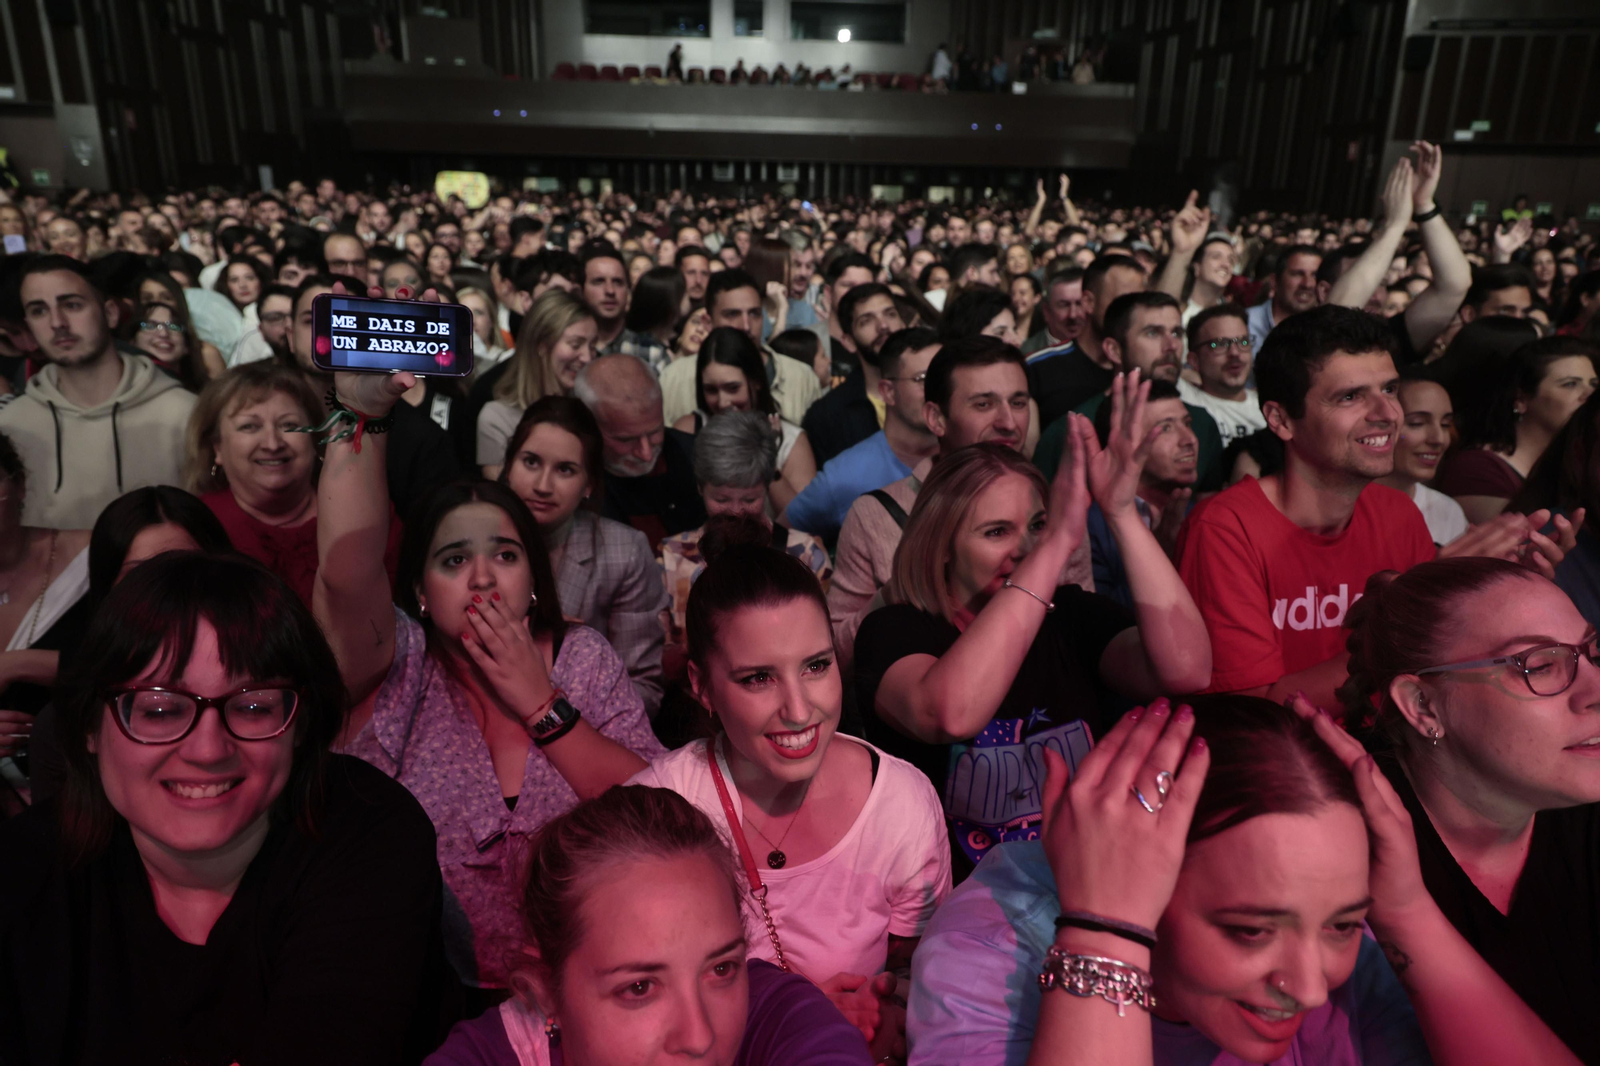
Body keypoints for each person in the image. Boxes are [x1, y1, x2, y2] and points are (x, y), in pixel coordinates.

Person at [907, 692, 1585, 1066]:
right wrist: (1105, 930)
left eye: (1343, 924)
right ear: (1133, 873)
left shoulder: (1337, 954)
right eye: (1252, 930)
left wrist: (1407, 912)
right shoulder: (992, 956)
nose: (1313, 987)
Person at [0, 552, 453, 1064]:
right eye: (160, 710)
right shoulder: (26, 868)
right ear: (88, 728)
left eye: (254, 706)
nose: (208, 750)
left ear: (300, 724)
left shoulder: (368, 831)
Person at [316, 366, 665, 996]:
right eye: (455, 560)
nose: (483, 578)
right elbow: (347, 571)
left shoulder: (581, 659)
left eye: (505, 555)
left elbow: (657, 815)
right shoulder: (399, 666)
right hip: (417, 999)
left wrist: (540, 701)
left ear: (533, 579)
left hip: (586, 993)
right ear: (420, 593)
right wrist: (361, 419)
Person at [856, 373, 1211, 873]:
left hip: (1081, 882)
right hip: (954, 911)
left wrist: (1119, 514)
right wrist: (1057, 542)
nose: (1025, 550)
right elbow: (948, 714)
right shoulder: (894, 630)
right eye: (997, 531)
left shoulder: (1068, 616)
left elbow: (1188, 670)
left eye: (1038, 526)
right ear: (940, 546)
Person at [632, 539, 948, 1057]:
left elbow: (916, 970)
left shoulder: (901, 803)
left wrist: (887, 1005)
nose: (799, 710)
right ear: (701, 686)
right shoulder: (657, 810)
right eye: (758, 678)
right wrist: (783, 1016)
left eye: (816, 666)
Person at [1177, 305, 1573, 711]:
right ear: (1280, 419)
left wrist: (1500, 593)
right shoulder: (1225, 529)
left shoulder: (1397, 514)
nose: (1387, 414)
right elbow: (1251, 715)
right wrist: (1416, 606)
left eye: (1389, 390)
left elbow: (1435, 668)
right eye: (1350, 397)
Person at [1338, 558, 1600, 1062]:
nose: (1594, 691)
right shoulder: (1344, 839)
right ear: (1423, 706)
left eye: (1591, 653)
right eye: (1540, 665)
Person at [423, 785, 875, 1065]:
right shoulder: (484, 1056)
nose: (699, 1038)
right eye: (639, 988)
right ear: (546, 988)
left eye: (720, 969)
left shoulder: (777, 1012)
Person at [18, 484, 235, 804]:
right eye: (139, 575)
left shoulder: (264, 686)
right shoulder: (65, 725)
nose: (161, 592)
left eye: (182, 569)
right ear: (108, 592)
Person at [497, 396, 670, 716]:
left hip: (577, 736)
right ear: (508, 467)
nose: (543, 485)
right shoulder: (467, 539)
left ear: (589, 484)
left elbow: (644, 691)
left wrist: (557, 708)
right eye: (531, 462)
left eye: (565, 469)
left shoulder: (622, 552)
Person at [5, 256, 197, 529]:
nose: (57, 322)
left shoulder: (185, 414)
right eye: (39, 311)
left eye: (72, 305)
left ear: (110, 313)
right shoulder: (12, 426)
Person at [187, 361, 400, 606]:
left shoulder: (366, 516)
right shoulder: (196, 529)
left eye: (289, 425)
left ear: (316, 438)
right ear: (217, 448)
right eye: (250, 427)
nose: (272, 443)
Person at [286, 275, 460, 517]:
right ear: (290, 336)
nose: (330, 329)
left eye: (347, 320)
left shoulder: (423, 439)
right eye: (312, 319)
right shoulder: (260, 422)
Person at [660, 415, 832, 644]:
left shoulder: (806, 554)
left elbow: (826, 644)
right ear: (700, 487)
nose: (736, 511)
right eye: (721, 499)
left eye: (749, 499)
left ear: (767, 487)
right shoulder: (672, 557)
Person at [783, 329, 940, 540]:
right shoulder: (845, 476)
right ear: (889, 392)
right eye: (922, 379)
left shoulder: (969, 453)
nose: (937, 389)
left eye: (942, 377)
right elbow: (781, 534)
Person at [0, 431, 92, 770]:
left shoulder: (91, 558)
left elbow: (136, 662)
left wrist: (16, 664)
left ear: (19, 485)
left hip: (82, 776)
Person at [1434, 336, 1597, 523]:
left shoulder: (1577, 460)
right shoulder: (1478, 469)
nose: (1589, 395)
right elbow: (1510, 544)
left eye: (1594, 384)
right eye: (1570, 384)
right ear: (1521, 399)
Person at [673, 327, 817, 512]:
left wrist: (768, 461)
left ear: (756, 381)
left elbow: (803, 521)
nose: (723, 402)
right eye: (711, 390)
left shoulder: (790, 440)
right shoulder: (688, 430)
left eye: (732, 388)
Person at [660, 269, 822, 429]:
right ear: (707, 322)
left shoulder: (802, 378)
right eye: (732, 314)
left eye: (754, 314)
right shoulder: (674, 379)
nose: (746, 326)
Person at [1086, 380, 1197, 609]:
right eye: (1165, 428)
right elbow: (1098, 626)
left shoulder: (1200, 513)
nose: (1189, 439)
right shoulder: (1089, 528)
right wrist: (1159, 558)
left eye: (1188, 423)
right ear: (1122, 444)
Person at [576, 353, 706, 548]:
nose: (645, 453)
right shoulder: (571, 484)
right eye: (626, 439)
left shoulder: (701, 459)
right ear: (588, 429)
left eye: (654, 432)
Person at [476, 290, 598, 478]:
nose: (587, 357)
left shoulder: (592, 412)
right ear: (541, 344)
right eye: (575, 345)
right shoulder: (498, 419)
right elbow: (502, 500)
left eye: (592, 346)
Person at [1029, 256, 1146, 429]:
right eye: (1123, 301)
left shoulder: (1147, 367)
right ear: (1089, 302)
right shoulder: (1038, 368)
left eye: (1139, 303)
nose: (1134, 313)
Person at [801, 279, 908, 466]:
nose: (883, 326)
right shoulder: (827, 416)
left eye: (890, 314)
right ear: (848, 341)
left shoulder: (934, 392)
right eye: (866, 320)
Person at [1377, 373, 1468, 546]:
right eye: (1417, 423)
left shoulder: (1447, 511)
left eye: (1445, 425)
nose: (1438, 439)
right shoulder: (1342, 510)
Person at [1177, 303, 1266, 445]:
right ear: (1194, 360)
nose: (1235, 353)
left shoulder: (1268, 408)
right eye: (1219, 344)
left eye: (1243, 341)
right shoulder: (1182, 400)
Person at [1245, 244, 1322, 352]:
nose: (1307, 284)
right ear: (1274, 281)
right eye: (1297, 274)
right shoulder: (1245, 325)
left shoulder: (1326, 332)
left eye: (1315, 275)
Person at [129, 299, 215, 391]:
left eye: (173, 327)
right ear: (132, 341)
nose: (163, 333)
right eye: (150, 326)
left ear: (186, 346)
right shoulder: (125, 387)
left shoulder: (204, 392)